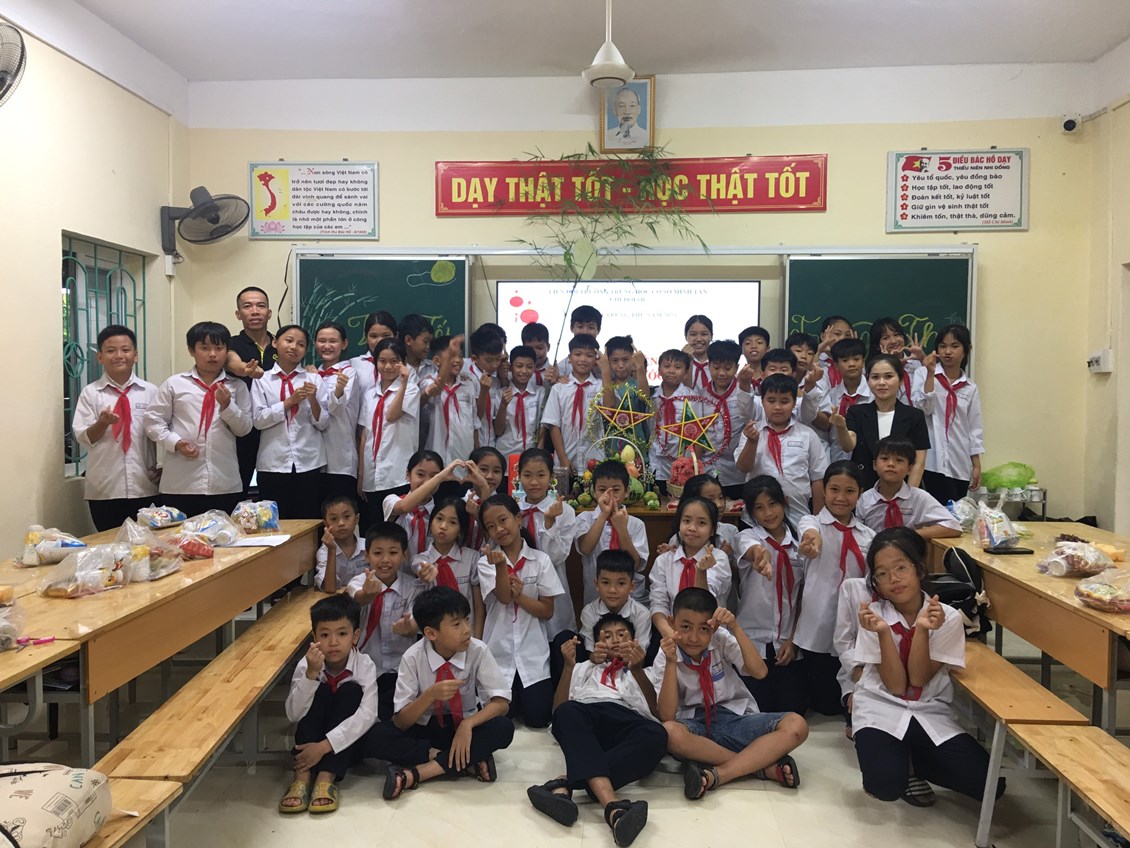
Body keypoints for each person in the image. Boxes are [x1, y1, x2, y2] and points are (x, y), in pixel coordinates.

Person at [852, 528, 1003, 805]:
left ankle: (916, 762)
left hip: (928, 710)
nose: (893, 579)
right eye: (882, 574)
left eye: (901, 568)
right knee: (885, 786)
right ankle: (897, 761)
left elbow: (919, 679)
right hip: (881, 706)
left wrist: (922, 630)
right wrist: (884, 633)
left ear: (919, 569)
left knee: (990, 785)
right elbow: (896, 685)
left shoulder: (948, 617)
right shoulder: (873, 617)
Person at [653, 587, 808, 799]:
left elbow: (760, 672)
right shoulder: (665, 655)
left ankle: (721, 773)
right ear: (671, 623)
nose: (694, 638)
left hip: (733, 718)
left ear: (714, 627)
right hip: (695, 727)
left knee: (797, 725)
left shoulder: (720, 639)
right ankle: (759, 766)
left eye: (703, 629)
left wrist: (734, 627)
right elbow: (667, 715)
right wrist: (672, 662)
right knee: (669, 732)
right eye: (686, 627)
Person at [527, 613, 663, 847]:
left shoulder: (645, 670)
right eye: (607, 636)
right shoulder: (584, 668)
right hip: (588, 712)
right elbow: (557, 712)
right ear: (596, 644)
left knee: (658, 735)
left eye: (622, 635)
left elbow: (657, 712)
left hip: (627, 719)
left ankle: (563, 784)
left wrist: (638, 669)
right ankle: (614, 809)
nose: (615, 640)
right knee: (567, 712)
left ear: (634, 641)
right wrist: (568, 667)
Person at [373, 586, 514, 800]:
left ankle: (417, 773)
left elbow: (501, 703)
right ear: (431, 633)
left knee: (503, 727)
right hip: (425, 727)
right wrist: (429, 696)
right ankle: (464, 761)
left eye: (466, 620)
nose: (466, 629)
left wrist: (468, 725)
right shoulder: (413, 657)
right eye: (456, 624)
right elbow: (401, 722)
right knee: (376, 736)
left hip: (462, 725)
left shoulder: (477, 650)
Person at [791, 460, 875, 717]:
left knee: (851, 687)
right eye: (834, 489)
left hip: (853, 625)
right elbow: (809, 533)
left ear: (860, 493)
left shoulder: (867, 535)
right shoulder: (812, 522)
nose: (840, 497)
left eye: (849, 491)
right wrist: (811, 542)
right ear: (824, 491)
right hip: (819, 622)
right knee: (825, 705)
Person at [279, 594, 376, 815]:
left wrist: (323, 747)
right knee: (319, 689)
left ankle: (326, 777)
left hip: (344, 745)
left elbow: (367, 715)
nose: (333, 642)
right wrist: (311, 675)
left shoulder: (365, 665)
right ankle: (302, 776)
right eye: (324, 634)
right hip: (311, 735)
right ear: (314, 637)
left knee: (351, 691)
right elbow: (293, 714)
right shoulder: (307, 664)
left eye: (342, 633)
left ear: (355, 636)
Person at [145, 322, 252, 516]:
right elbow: (153, 421)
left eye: (219, 348)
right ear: (191, 350)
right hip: (180, 484)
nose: (212, 354)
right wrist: (176, 443)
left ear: (227, 351)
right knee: (180, 535)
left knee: (224, 535)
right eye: (205, 348)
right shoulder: (175, 384)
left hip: (224, 483)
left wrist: (227, 406)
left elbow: (244, 429)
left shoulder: (237, 386)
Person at [477, 494, 564, 728]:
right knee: (499, 719)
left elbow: (547, 611)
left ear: (518, 519)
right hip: (498, 653)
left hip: (532, 653)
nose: (499, 529)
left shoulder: (541, 560)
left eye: (503, 520)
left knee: (539, 718)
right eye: (491, 526)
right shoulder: (485, 563)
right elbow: (504, 597)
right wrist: (500, 567)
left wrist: (521, 596)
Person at [72, 324, 159, 530]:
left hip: (144, 486)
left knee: (147, 544)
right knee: (110, 544)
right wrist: (102, 423)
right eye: (111, 351)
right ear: (100, 357)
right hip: (105, 489)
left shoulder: (151, 392)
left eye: (125, 350)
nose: (119, 356)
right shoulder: (91, 393)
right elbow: (85, 437)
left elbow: (161, 432)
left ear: (135, 355)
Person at [733, 477, 808, 714]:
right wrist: (762, 558)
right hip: (752, 641)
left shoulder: (799, 546)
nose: (768, 513)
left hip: (787, 641)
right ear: (751, 512)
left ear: (784, 502)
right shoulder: (747, 537)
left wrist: (793, 640)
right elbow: (754, 552)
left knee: (793, 711)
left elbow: (801, 598)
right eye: (759, 507)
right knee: (756, 710)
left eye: (772, 504)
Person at [251, 324, 329, 519]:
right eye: (289, 341)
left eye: (301, 344)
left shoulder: (313, 379)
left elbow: (323, 424)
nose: (294, 347)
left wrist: (313, 399)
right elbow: (258, 420)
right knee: (275, 522)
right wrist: (289, 402)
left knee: (308, 521)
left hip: (308, 462)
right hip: (273, 463)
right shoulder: (262, 380)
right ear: (275, 343)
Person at [346, 522, 423, 720]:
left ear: (404, 555)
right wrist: (368, 594)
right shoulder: (358, 582)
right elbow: (358, 598)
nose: (385, 560)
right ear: (366, 555)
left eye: (393, 552)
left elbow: (416, 620)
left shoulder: (413, 586)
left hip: (402, 668)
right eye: (378, 553)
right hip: (366, 667)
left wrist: (409, 627)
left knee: (397, 713)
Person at [735, 374, 827, 525]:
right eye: (771, 401)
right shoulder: (751, 432)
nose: (777, 407)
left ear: (794, 403)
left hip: (799, 516)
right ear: (762, 401)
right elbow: (743, 467)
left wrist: (818, 520)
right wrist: (752, 442)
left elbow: (818, 478)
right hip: (756, 520)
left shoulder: (807, 435)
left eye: (784, 401)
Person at [831, 354, 931, 490]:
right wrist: (841, 428)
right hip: (864, 488)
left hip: (902, 488)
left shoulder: (914, 416)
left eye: (888, 376)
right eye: (875, 377)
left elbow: (918, 462)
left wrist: (909, 495)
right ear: (868, 380)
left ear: (901, 380)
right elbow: (848, 445)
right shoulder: (857, 412)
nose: (881, 382)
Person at [356, 338, 420, 533]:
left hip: (397, 473)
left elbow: (392, 415)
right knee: (372, 531)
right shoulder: (370, 394)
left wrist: (404, 382)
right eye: (382, 361)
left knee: (396, 532)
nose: (388, 366)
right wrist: (361, 475)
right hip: (371, 476)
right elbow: (365, 434)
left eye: (394, 361)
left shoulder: (411, 389)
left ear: (404, 362)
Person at [917, 324, 984, 505]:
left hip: (959, 462)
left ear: (966, 350)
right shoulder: (923, 374)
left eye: (955, 346)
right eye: (942, 346)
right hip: (931, 461)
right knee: (933, 513)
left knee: (957, 515)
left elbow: (974, 428)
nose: (947, 352)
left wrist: (976, 465)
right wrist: (931, 374)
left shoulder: (970, 387)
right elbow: (923, 409)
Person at [515, 448, 577, 638]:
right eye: (527, 475)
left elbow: (557, 557)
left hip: (552, 584)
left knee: (555, 638)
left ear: (551, 477)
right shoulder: (512, 509)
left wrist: (549, 522)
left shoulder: (565, 511)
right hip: (520, 585)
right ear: (518, 476)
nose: (534, 482)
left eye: (541, 475)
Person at [650, 496, 731, 641]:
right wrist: (671, 635)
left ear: (712, 530)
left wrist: (701, 571)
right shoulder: (664, 561)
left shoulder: (719, 559)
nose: (692, 528)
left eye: (702, 523)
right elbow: (658, 604)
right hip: (673, 636)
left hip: (711, 638)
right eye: (686, 521)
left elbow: (705, 602)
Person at [575, 460, 648, 606]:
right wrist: (603, 515)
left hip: (630, 598)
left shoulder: (636, 524)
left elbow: (635, 565)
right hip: (594, 597)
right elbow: (586, 549)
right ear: (594, 492)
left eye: (616, 490)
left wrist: (621, 529)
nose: (609, 495)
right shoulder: (585, 518)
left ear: (626, 492)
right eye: (602, 490)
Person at [225, 286, 275, 493]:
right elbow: (232, 362)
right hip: (242, 429)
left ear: (269, 313)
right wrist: (245, 370)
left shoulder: (282, 344)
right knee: (238, 488)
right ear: (238, 314)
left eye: (260, 306)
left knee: (272, 492)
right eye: (248, 306)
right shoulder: (231, 343)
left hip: (275, 429)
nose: (255, 311)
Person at [858, 437, 962, 537]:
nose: (891, 464)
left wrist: (910, 535)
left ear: (910, 468)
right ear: (874, 465)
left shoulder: (919, 498)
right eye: (885, 458)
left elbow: (953, 526)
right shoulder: (864, 499)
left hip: (908, 547)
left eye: (899, 460)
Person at [411, 498, 484, 632]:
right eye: (439, 519)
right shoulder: (420, 559)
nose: (443, 526)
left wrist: (478, 638)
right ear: (431, 523)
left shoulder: (472, 558)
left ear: (460, 531)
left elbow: (478, 607)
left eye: (452, 522)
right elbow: (420, 568)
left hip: (467, 633)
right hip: (435, 635)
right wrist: (425, 572)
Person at [699, 339, 757, 500]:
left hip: (736, 471)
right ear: (708, 366)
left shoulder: (744, 391)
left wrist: (744, 386)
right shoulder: (701, 396)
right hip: (707, 467)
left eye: (728, 368)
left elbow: (748, 416)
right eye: (716, 368)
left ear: (736, 368)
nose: (722, 373)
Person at [312, 321, 361, 503]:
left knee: (341, 511)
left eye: (333, 341)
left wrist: (339, 390)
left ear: (344, 344)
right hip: (314, 459)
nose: (327, 346)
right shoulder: (313, 373)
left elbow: (335, 410)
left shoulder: (349, 373)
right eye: (321, 341)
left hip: (341, 459)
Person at [383, 451, 464, 560]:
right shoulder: (392, 500)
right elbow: (403, 507)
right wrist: (438, 477)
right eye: (420, 475)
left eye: (433, 476)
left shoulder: (440, 513)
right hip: (396, 570)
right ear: (408, 475)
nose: (426, 482)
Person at [542, 334, 603, 476]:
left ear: (596, 359)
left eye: (589, 355)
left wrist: (605, 370)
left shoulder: (600, 386)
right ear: (569, 358)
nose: (583, 359)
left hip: (595, 459)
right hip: (565, 460)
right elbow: (553, 425)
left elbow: (610, 408)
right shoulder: (559, 389)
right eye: (578, 354)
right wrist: (562, 457)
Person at [422, 334, 478, 475]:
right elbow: (438, 386)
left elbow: (474, 423)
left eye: (460, 356)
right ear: (436, 360)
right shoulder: (428, 382)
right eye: (452, 356)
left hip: (464, 457)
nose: (458, 360)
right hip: (436, 457)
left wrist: (476, 459)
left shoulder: (468, 384)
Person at [809, 337, 871, 462]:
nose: (851, 364)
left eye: (856, 359)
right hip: (836, 458)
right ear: (836, 366)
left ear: (863, 362)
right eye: (845, 360)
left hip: (867, 458)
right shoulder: (831, 395)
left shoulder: (874, 394)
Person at [648, 349, 692, 495]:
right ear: (659, 370)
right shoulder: (652, 396)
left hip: (680, 463)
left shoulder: (692, 398)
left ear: (686, 372)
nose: (672, 371)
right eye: (667, 366)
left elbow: (696, 435)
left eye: (678, 367)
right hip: (654, 462)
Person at [598, 335, 651, 456]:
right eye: (615, 361)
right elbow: (608, 406)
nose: (621, 365)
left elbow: (645, 397)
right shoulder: (605, 386)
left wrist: (640, 366)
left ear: (632, 359)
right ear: (607, 361)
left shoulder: (637, 384)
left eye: (625, 360)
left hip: (637, 446)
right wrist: (605, 370)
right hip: (611, 447)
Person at [495, 345, 544, 457]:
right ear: (511, 367)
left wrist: (538, 453)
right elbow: (498, 431)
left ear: (534, 367)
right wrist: (503, 405)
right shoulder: (500, 394)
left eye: (529, 367)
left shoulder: (540, 393)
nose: (524, 371)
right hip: (505, 453)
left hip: (531, 453)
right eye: (519, 366)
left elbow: (543, 428)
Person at [868, 317, 925, 408]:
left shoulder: (918, 364)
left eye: (896, 335)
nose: (893, 341)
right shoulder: (873, 371)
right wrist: (886, 362)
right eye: (885, 338)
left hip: (919, 414)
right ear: (877, 346)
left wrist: (923, 358)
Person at [316, 494, 366, 593]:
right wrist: (332, 550)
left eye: (346, 516)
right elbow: (330, 588)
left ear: (357, 519)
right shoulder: (324, 552)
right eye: (334, 519)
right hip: (338, 600)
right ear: (326, 524)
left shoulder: (368, 546)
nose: (341, 523)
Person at [466, 326, 505, 449]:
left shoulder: (496, 381)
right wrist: (483, 391)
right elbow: (476, 416)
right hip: (472, 444)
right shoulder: (467, 379)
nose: (494, 365)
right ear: (474, 358)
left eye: (498, 359)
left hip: (492, 443)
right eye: (489, 360)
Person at [348, 310, 398, 394]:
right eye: (373, 336)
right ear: (366, 338)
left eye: (386, 335)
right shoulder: (353, 365)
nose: (380, 341)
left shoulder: (404, 368)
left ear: (396, 336)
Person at [554, 305, 602, 381]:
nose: (585, 332)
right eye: (580, 327)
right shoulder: (562, 367)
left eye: (591, 327)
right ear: (571, 328)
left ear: (598, 330)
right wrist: (555, 381)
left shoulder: (607, 363)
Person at [605, 85, 649, 149]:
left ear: (639, 109)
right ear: (614, 110)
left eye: (632, 105)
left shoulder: (646, 137)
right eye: (622, 106)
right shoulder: (607, 136)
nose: (627, 112)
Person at [520, 322, 558, 387]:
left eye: (539, 348)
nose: (535, 353)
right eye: (529, 349)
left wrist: (555, 383)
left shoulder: (556, 373)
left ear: (548, 347)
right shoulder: (516, 374)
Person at [683, 315, 714, 391]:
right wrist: (685, 361)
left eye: (704, 334)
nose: (699, 339)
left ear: (711, 336)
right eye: (693, 334)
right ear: (686, 336)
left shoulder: (719, 362)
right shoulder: (678, 363)